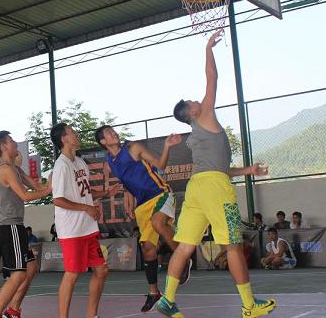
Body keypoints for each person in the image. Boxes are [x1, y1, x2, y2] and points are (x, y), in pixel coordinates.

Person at [157, 29, 276, 318]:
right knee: (233, 246)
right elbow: (212, 78)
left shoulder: (197, 135)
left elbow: (218, 168)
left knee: (185, 247)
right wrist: (208, 48)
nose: (197, 101)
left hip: (197, 188)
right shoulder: (205, 115)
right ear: (192, 113)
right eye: (192, 102)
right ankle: (249, 306)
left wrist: (248, 170)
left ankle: (167, 300)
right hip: (214, 188)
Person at [94, 125, 191, 312]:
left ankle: (183, 259)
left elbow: (160, 165)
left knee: (158, 222)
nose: (114, 133)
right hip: (142, 205)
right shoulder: (110, 161)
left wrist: (167, 146)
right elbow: (128, 182)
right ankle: (154, 292)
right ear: (103, 142)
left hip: (160, 193)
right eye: (109, 133)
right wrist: (130, 203)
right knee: (147, 249)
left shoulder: (133, 148)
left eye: (113, 130)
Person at [50, 122, 120, 318]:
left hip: (87, 227)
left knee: (101, 270)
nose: (76, 134)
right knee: (72, 274)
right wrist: (87, 208)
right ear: (64, 139)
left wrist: (106, 193)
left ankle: (92, 315)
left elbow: (85, 193)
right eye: (72, 132)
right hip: (71, 230)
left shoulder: (80, 163)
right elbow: (58, 199)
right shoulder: (61, 166)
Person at [0, 131, 52, 318]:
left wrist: (52, 183)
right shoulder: (5, 170)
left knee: (30, 268)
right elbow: (25, 195)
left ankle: (13, 311)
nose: (15, 143)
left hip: (16, 226)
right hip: (9, 227)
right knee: (18, 274)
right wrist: (47, 191)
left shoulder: (15, 169)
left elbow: (37, 186)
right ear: (4, 146)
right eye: (12, 140)